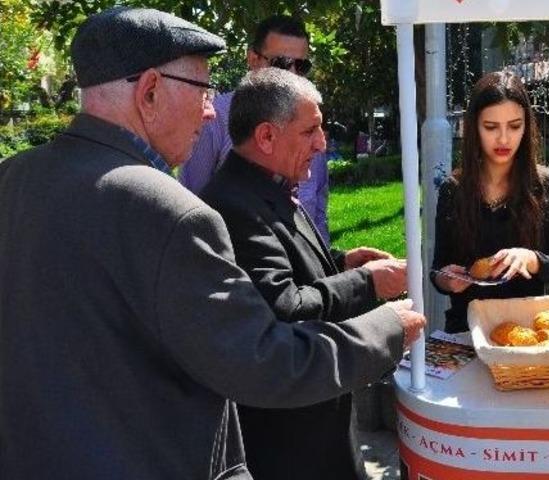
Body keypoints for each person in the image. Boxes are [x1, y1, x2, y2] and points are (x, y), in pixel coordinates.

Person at [0, 7, 425, 479]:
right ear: (150, 91)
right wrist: (385, 328)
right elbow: (264, 361)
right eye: (203, 90)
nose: (210, 110)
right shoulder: (168, 210)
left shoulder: (14, 178)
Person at [200, 68, 407, 480]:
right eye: (310, 130)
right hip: (292, 441)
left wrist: (341, 262)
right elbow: (285, 307)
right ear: (266, 137)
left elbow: (286, 265)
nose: (322, 143)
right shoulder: (233, 205)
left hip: (319, 423)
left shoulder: (267, 185)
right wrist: (369, 282)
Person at [431, 71, 549, 333]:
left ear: (527, 126)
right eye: (491, 127)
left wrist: (532, 259)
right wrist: (447, 279)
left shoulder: (547, 185)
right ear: (474, 127)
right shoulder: (453, 190)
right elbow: (438, 270)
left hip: (527, 331)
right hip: (467, 330)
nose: (503, 139)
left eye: (514, 126)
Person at [179, 15, 333, 243]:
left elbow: (317, 212)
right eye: (281, 63)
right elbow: (193, 203)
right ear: (253, 59)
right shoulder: (214, 119)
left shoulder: (311, 124)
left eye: (301, 66)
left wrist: (330, 265)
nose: (292, 74)